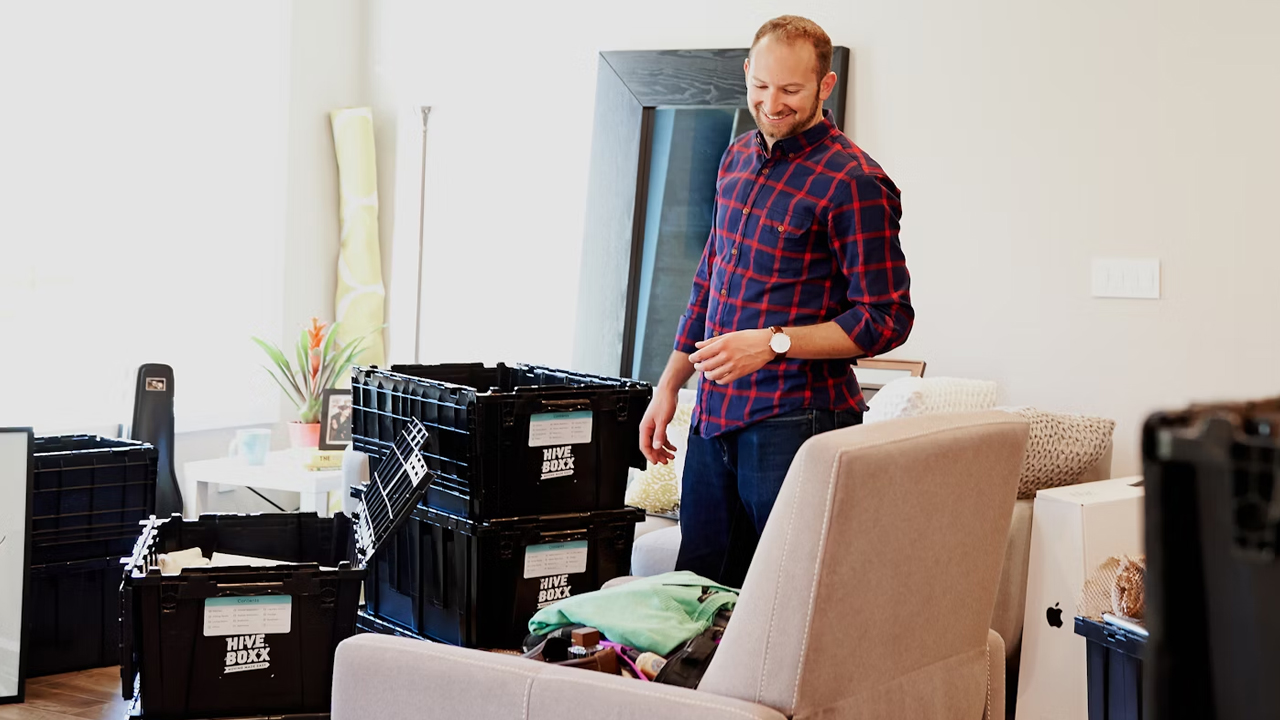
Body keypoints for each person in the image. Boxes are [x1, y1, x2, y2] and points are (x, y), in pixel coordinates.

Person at [637, 15, 914, 588]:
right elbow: (709, 280)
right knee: (699, 597)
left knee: (787, 601)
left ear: (824, 86)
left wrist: (773, 344)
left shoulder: (854, 182)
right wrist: (669, 385)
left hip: (796, 422)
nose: (772, 102)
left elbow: (887, 318)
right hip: (713, 418)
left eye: (790, 90)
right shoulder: (736, 158)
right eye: (761, 86)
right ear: (746, 73)